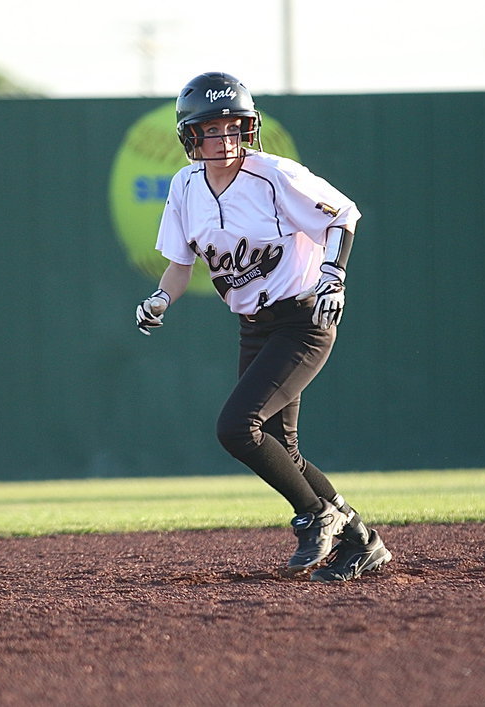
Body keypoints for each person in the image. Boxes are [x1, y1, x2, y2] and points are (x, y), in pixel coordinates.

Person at [135, 72, 392, 582]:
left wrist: (333, 277)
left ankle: (316, 516)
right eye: (211, 128)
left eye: (234, 126)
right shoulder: (186, 186)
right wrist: (162, 296)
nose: (225, 138)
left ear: (249, 129)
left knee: (236, 428)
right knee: (282, 446)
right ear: (190, 136)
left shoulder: (274, 175)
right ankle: (363, 541)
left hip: (302, 320)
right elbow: (181, 264)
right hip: (254, 326)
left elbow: (344, 213)